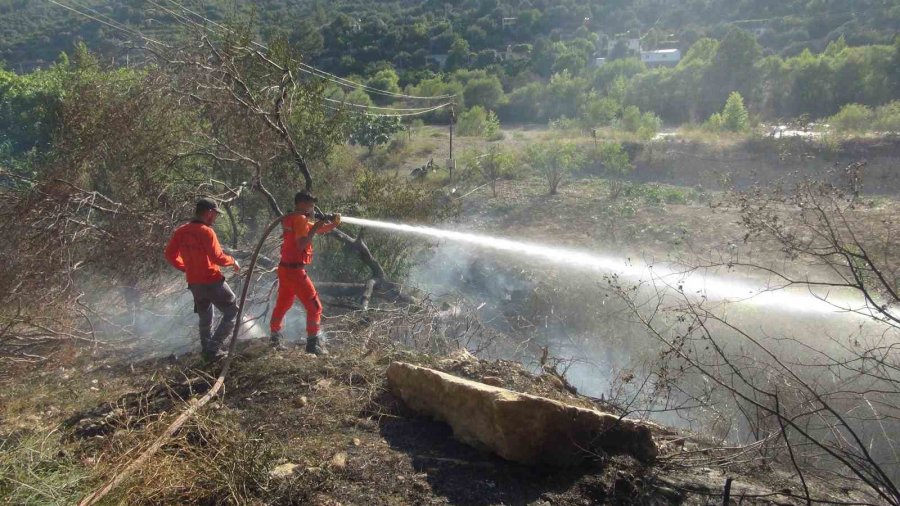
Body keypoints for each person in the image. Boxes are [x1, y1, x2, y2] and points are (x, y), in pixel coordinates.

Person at [164, 198, 241, 360]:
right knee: (232, 311)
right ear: (209, 212)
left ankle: (207, 352)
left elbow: (170, 255)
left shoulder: (181, 231)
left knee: (205, 317)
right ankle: (213, 348)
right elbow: (218, 257)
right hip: (212, 281)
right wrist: (233, 261)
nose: (216, 218)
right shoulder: (207, 231)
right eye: (215, 214)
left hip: (194, 283)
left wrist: (186, 268)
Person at [270, 191, 340, 355]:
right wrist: (315, 225)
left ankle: (274, 337)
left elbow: (316, 230)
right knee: (315, 307)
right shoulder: (300, 218)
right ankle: (312, 345)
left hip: (284, 269)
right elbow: (302, 243)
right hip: (295, 271)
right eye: (311, 205)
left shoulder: (292, 217)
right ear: (302, 204)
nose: (313, 208)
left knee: (283, 304)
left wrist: (333, 224)